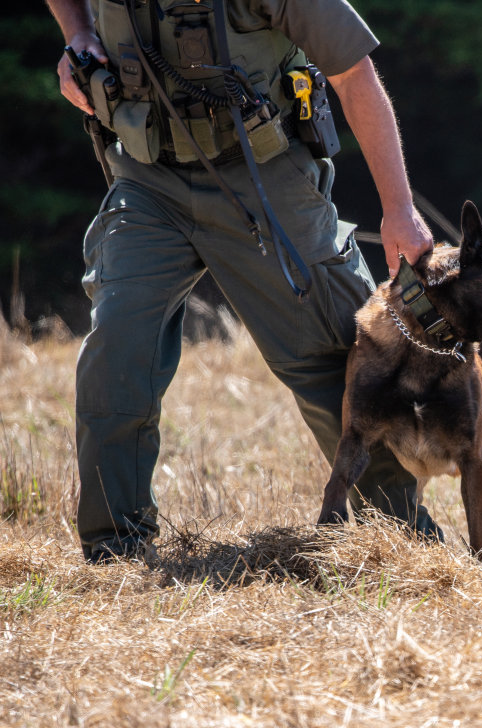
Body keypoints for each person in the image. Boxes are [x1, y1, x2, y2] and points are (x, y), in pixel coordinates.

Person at [46, 0, 439, 562]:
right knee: (117, 349)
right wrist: (78, 31)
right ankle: (116, 549)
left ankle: (403, 541)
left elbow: (353, 74)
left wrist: (399, 208)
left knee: (340, 359)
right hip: (147, 178)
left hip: (265, 175)